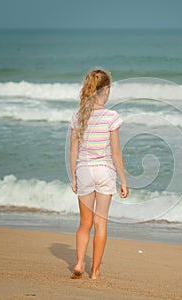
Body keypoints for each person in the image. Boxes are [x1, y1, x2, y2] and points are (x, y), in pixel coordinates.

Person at [70, 69, 129, 280]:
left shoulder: (78, 116)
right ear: (105, 90)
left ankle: (78, 263)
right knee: (100, 223)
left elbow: (73, 151)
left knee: (84, 223)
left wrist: (74, 178)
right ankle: (94, 272)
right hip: (104, 172)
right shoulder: (111, 117)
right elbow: (115, 153)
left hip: (84, 171)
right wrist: (123, 181)